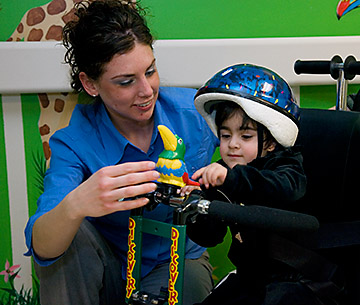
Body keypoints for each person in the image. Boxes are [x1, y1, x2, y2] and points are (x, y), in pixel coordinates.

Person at [24, 1, 218, 304]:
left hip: (176, 264)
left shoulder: (194, 113)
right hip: (106, 272)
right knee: (68, 236)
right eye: (126, 82)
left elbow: (263, 135)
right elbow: (42, 245)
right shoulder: (75, 142)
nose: (146, 91)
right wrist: (78, 204)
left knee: (186, 278)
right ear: (90, 84)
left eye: (150, 71)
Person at [185, 64, 333, 305]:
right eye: (225, 135)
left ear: (271, 141)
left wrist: (231, 179)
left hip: (298, 282)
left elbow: (285, 188)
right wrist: (198, 205)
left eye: (245, 136)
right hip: (251, 279)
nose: (232, 144)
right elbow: (210, 237)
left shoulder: (286, 166)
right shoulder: (225, 173)